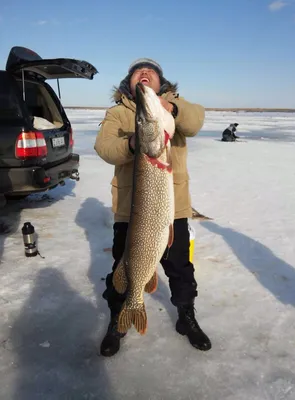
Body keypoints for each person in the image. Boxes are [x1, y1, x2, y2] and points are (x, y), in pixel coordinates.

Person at [94, 58, 212, 357]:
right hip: (129, 210)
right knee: (124, 265)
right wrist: (132, 144)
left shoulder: (174, 107)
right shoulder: (118, 112)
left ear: (161, 83)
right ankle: (119, 320)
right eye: (137, 71)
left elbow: (196, 122)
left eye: (151, 72)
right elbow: (104, 148)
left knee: (181, 269)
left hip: (174, 209)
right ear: (129, 82)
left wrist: (170, 108)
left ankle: (186, 317)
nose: (144, 73)